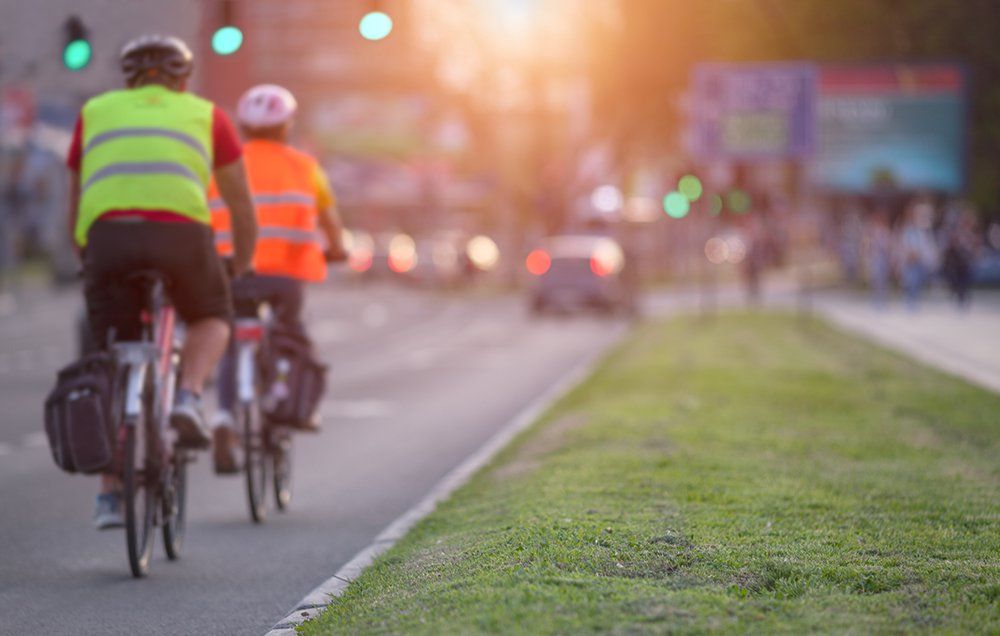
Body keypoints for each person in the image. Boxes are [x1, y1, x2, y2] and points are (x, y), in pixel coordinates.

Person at [65, 35, 258, 528]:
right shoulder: (207, 115)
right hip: (182, 237)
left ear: (128, 79)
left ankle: (109, 495)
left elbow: (77, 192)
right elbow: (240, 203)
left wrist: (85, 251)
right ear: (183, 79)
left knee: (111, 354)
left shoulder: (95, 112)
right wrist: (241, 263)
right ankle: (189, 396)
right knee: (213, 316)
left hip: (109, 239)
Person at [207, 84, 347, 474]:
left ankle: (224, 418)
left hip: (232, 272)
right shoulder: (306, 167)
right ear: (287, 126)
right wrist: (337, 249)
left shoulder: (221, 167)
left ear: (243, 128)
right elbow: (331, 221)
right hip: (285, 277)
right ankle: (283, 393)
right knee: (289, 337)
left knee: (233, 341)